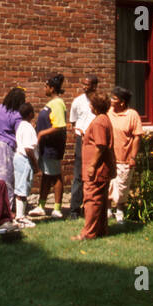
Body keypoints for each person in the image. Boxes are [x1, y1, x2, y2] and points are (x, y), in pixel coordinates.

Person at [74, 89, 115, 241]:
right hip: (102, 169)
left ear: (95, 106)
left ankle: (88, 233)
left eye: (91, 103)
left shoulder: (98, 122)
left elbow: (100, 145)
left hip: (96, 169)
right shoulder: (104, 119)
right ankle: (101, 230)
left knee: (91, 200)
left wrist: (92, 165)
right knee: (101, 200)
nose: (89, 105)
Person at [29, 74, 68, 218]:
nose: (44, 89)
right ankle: (41, 206)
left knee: (56, 176)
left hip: (53, 146)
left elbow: (59, 126)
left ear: (52, 88)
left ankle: (57, 209)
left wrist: (41, 134)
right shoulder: (51, 103)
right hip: (46, 146)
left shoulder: (57, 103)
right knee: (46, 175)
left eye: (46, 86)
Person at [108, 86, 143, 223]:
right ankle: (108, 210)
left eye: (114, 98)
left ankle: (120, 212)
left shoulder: (132, 115)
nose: (111, 100)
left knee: (122, 186)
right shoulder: (108, 112)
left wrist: (133, 157)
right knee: (108, 184)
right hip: (109, 158)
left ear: (122, 102)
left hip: (124, 159)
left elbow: (137, 137)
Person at [68, 75, 100, 218]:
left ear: (95, 86)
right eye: (84, 84)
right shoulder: (77, 102)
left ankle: (92, 207)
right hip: (82, 140)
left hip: (96, 141)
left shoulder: (99, 101)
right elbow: (73, 122)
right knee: (78, 175)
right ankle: (74, 209)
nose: (85, 87)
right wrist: (79, 132)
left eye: (88, 84)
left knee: (96, 174)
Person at [0, 86, 27, 195]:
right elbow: (19, 133)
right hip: (7, 145)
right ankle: (8, 205)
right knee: (7, 176)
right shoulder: (17, 116)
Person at [13, 101, 38, 228]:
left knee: (21, 186)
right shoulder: (28, 128)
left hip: (19, 158)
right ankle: (20, 217)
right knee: (22, 188)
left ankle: (21, 214)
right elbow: (29, 149)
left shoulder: (22, 125)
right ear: (30, 114)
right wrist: (35, 164)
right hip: (24, 159)